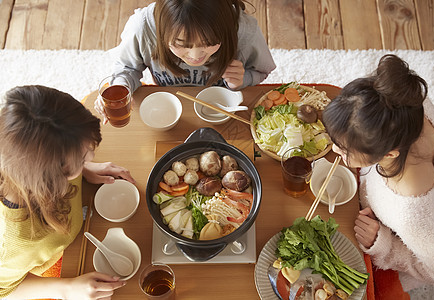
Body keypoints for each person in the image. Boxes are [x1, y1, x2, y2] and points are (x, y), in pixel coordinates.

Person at [322, 55, 434, 292]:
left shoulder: (411, 213)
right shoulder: (406, 105)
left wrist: (385, 245)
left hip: (411, 233)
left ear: (390, 154)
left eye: (345, 149)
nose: (334, 149)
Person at [0, 85, 136, 299]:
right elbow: (3, 290)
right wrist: (67, 289)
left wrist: (85, 168)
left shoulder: (23, 139)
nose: (91, 157)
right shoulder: (15, 243)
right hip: (56, 263)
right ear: (50, 179)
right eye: (83, 159)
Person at [94, 0, 276, 124]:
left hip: (221, 113)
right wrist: (120, 89)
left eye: (209, 43)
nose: (195, 56)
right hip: (166, 110)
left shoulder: (243, 29)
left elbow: (262, 70)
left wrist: (241, 81)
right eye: (181, 45)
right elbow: (127, 67)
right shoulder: (142, 27)